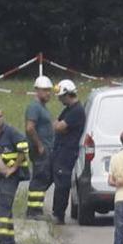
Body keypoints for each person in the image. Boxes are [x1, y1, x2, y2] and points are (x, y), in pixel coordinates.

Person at [0, 105, 29, 244]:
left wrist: (14, 167)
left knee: (2, 209)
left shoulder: (11, 132)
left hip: (10, 177)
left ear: (3, 116)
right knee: (4, 210)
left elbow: (23, 147)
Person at [52, 79, 86, 225]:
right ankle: (56, 212)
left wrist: (59, 126)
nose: (59, 99)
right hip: (61, 150)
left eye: (61, 96)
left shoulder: (76, 111)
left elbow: (59, 126)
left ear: (68, 95)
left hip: (67, 151)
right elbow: (58, 124)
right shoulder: (69, 109)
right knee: (58, 180)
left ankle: (59, 214)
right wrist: (59, 125)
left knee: (62, 183)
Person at [25, 75, 55, 220]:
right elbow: (30, 128)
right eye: (45, 90)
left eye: (49, 90)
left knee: (45, 177)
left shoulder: (43, 107)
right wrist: (39, 145)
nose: (48, 93)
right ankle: (33, 211)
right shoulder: (34, 107)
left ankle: (37, 208)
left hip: (47, 148)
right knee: (39, 178)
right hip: (40, 150)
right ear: (37, 90)